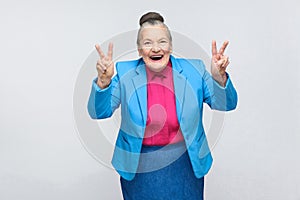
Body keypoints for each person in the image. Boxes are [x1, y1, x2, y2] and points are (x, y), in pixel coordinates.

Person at [87, 11, 237, 200]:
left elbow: (226, 104)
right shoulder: (125, 73)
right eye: (147, 43)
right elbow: (98, 112)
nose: (156, 48)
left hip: (186, 163)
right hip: (139, 165)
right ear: (139, 50)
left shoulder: (194, 70)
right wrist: (103, 83)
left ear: (171, 46)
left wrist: (219, 78)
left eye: (162, 42)